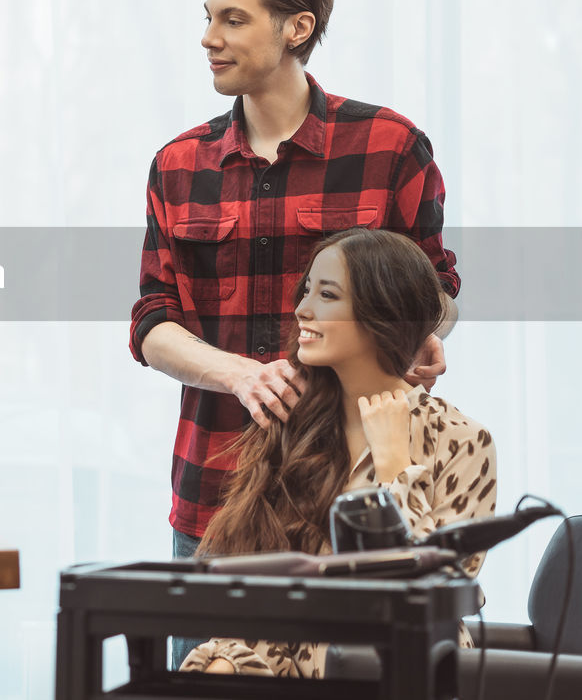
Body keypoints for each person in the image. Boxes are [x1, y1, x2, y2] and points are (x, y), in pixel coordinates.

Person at [127, 0, 461, 620]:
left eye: (233, 19)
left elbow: (436, 286)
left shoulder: (390, 147)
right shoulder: (177, 165)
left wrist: (422, 328)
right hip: (214, 495)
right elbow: (152, 322)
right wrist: (240, 374)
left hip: (358, 497)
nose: (209, 38)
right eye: (208, 16)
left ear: (297, 27)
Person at [179, 227, 496, 677]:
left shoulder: (462, 438)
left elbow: (440, 588)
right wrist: (229, 662)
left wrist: (394, 469)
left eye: (326, 295)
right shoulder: (292, 422)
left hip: (408, 669)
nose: (302, 308)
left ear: (382, 313)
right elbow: (269, 596)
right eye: (307, 290)